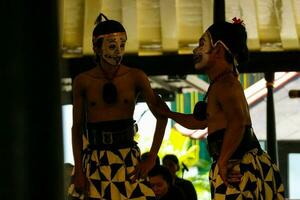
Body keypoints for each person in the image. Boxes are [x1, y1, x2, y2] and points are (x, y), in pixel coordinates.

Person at [154, 18, 285, 199]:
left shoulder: (225, 84)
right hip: (237, 163)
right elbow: (201, 122)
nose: (195, 50)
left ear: (218, 49)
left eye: (202, 44)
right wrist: (167, 113)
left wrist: (223, 161)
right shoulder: (220, 83)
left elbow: (238, 122)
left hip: (238, 166)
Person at [70, 13, 167, 200]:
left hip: (128, 157)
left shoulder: (136, 76)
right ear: (96, 48)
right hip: (95, 158)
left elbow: (162, 115)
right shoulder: (83, 81)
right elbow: (76, 128)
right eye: (112, 46)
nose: (118, 51)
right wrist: (79, 171)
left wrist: (152, 157)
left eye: (122, 45)